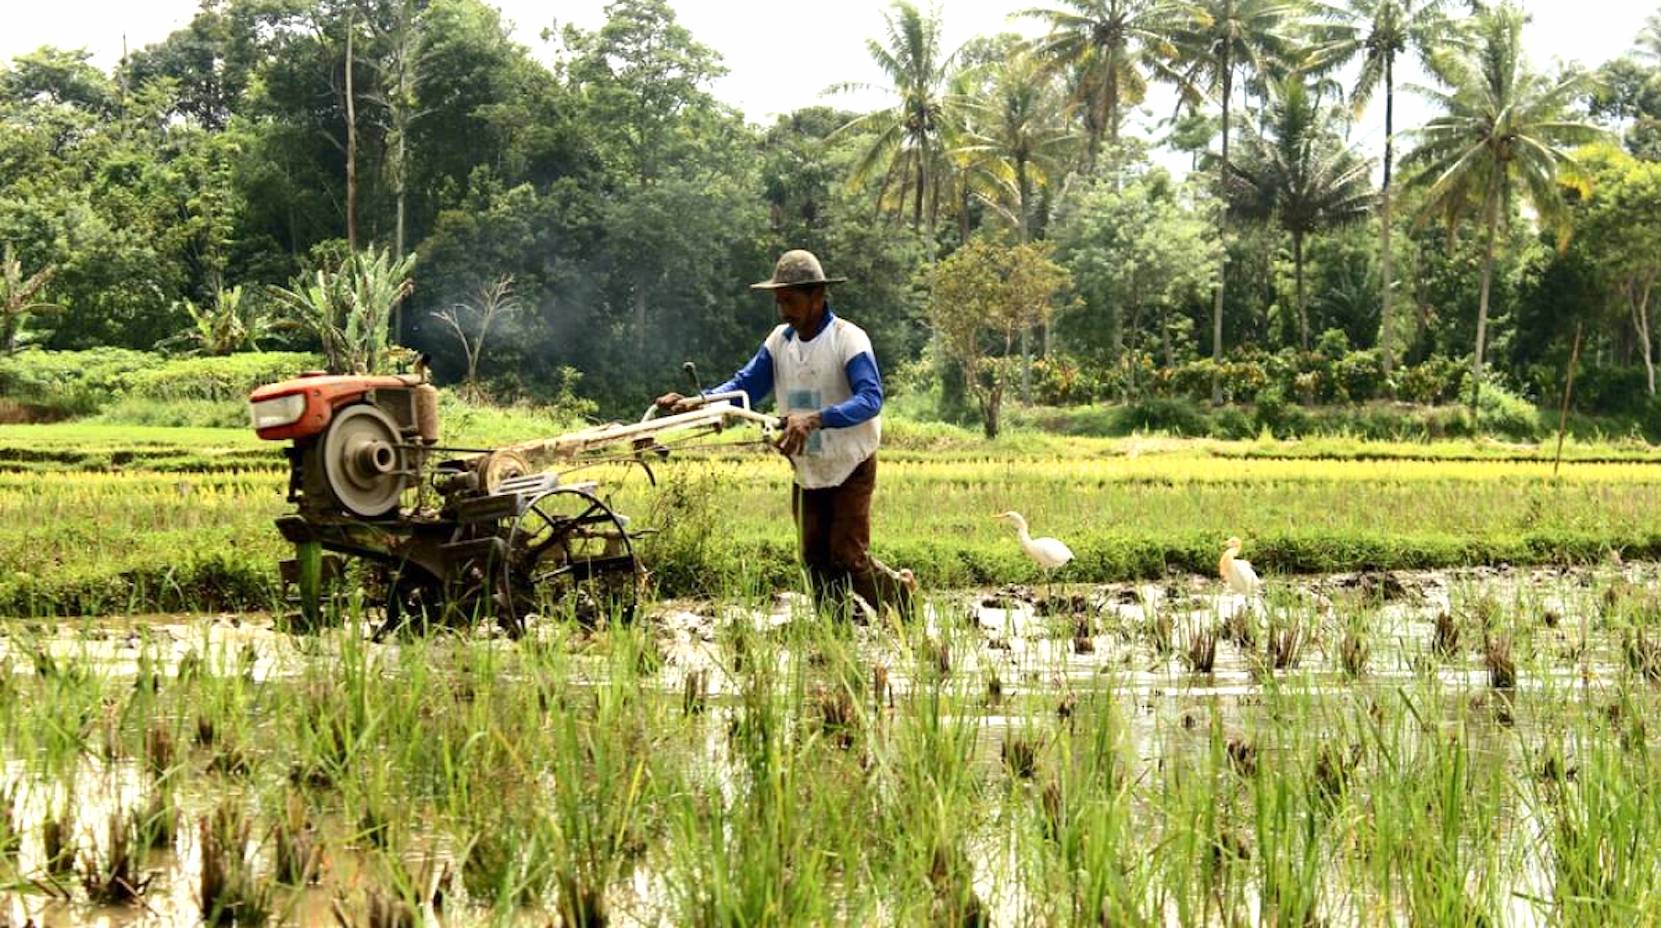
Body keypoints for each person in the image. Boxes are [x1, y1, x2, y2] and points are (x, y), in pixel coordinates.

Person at [656, 249, 915, 619]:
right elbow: (745, 385)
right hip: (807, 466)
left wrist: (815, 419)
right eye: (779, 302)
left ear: (817, 297)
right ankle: (834, 631)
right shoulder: (780, 341)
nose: (783, 310)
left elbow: (871, 399)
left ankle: (905, 604)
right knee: (814, 557)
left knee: (847, 556)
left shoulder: (848, 339)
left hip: (850, 463)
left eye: (790, 301)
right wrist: (700, 401)